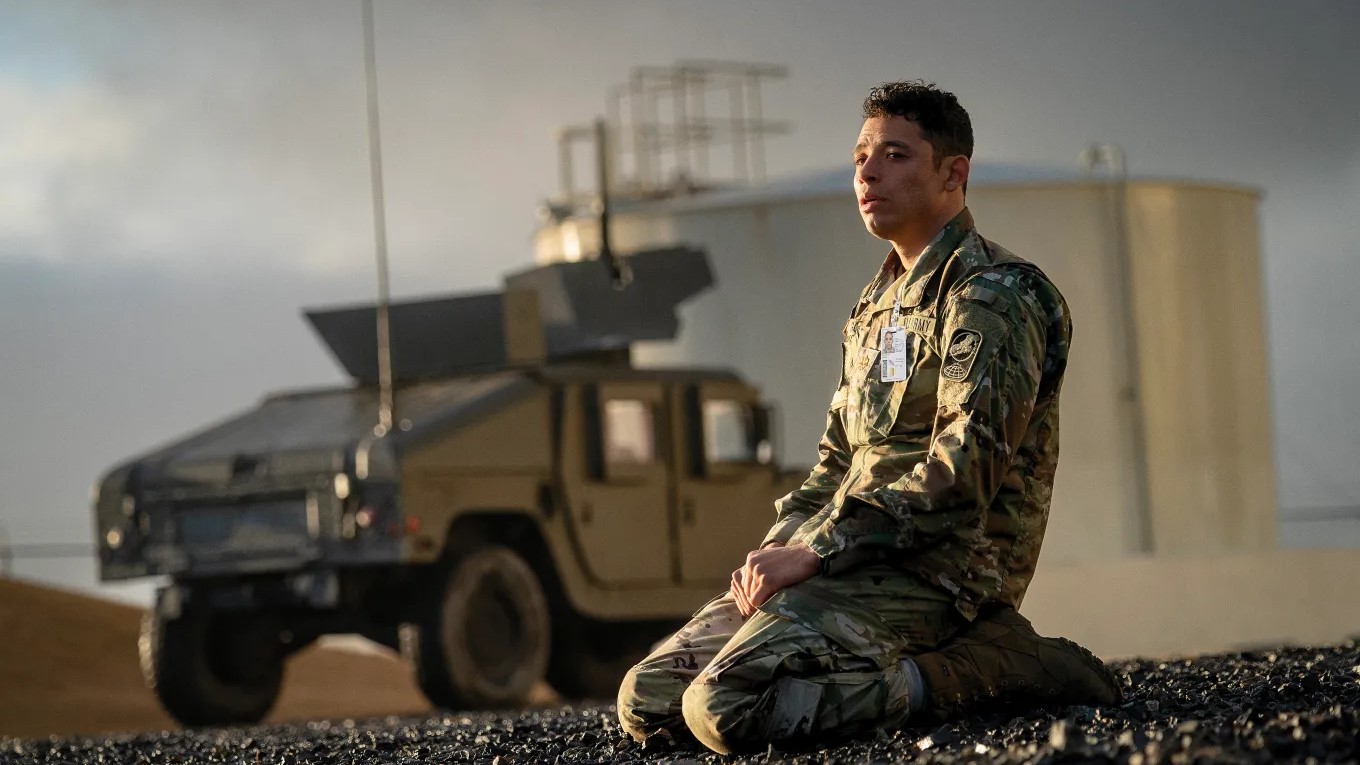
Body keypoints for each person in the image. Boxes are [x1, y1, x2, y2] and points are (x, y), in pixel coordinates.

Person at [616, 80, 1121, 755]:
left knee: (724, 706)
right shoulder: (876, 306)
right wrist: (782, 548)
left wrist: (817, 550)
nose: (868, 170)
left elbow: (963, 472)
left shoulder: (992, 295)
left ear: (953, 174)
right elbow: (836, 462)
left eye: (895, 155)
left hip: (942, 573)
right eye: (860, 156)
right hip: (846, 560)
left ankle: (984, 665)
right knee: (647, 700)